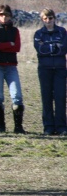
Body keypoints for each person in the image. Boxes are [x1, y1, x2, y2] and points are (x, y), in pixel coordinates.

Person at [0, 4, 25, 133]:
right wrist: (8, 44)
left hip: (11, 66)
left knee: (17, 96)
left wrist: (2, 45)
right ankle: (1, 127)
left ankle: (18, 127)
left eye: (7, 15)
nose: (4, 17)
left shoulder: (15, 31)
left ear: (10, 16)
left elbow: (17, 48)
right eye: (1, 15)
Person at [33, 8, 67, 136]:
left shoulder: (62, 32)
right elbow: (40, 49)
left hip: (60, 69)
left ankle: (61, 127)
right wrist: (54, 47)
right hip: (44, 69)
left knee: (60, 98)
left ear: (54, 18)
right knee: (46, 98)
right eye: (45, 19)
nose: (48, 21)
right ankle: (48, 127)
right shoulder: (38, 34)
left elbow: (63, 49)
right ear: (42, 20)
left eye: (50, 18)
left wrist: (49, 47)